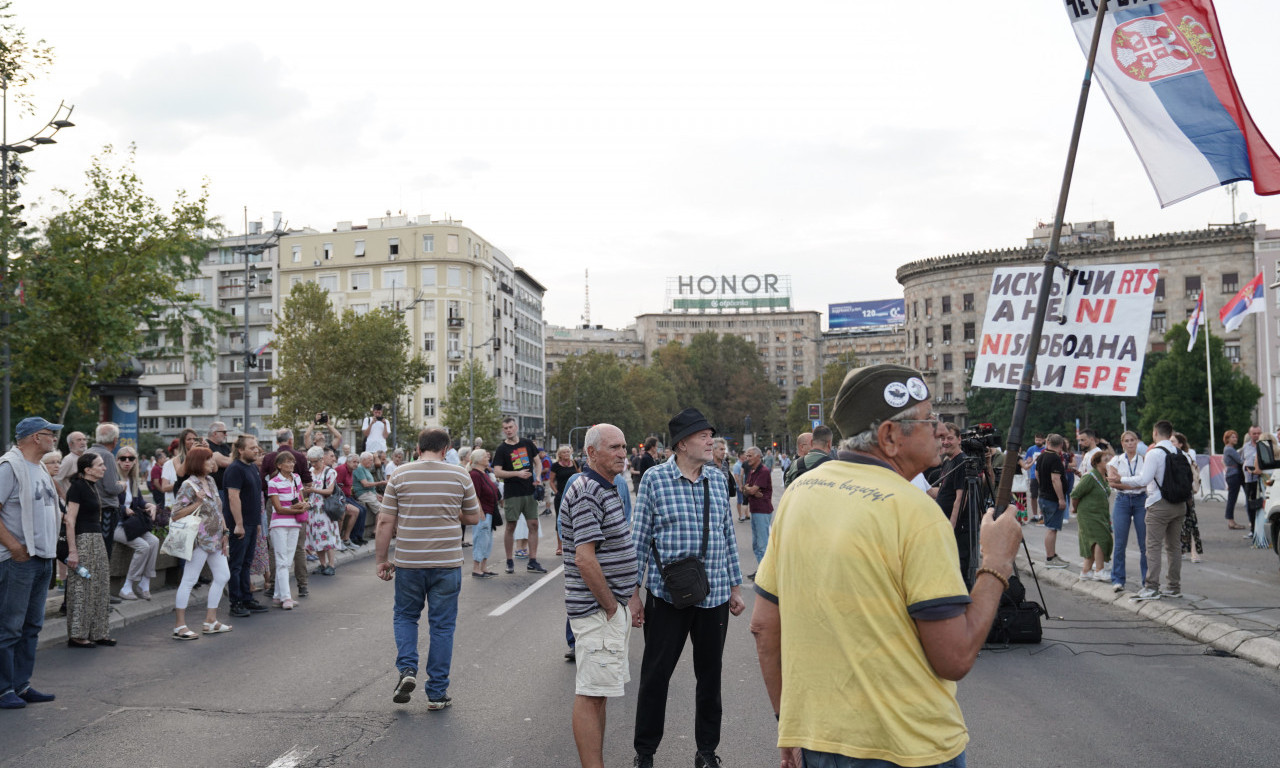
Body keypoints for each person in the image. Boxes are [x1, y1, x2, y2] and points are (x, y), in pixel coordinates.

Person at [749, 364, 1023, 768]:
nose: (939, 429)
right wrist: (996, 563)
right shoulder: (916, 513)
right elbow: (955, 657)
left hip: (817, 741)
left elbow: (763, 625)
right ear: (890, 437)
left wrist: (786, 723)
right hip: (909, 749)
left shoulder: (800, 492)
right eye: (929, 419)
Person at [628, 408, 745, 768]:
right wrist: (633, 594)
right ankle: (645, 753)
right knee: (655, 676)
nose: (711, 441)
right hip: (667, 597)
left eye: (712, 435)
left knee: (710, 679)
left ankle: (707, 752)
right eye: (703, 435)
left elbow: (727, 536)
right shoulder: (654, 480)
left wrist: (736, 588)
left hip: (714, 595)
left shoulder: (716, 478)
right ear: (682, 443)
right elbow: (640, 538)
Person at [377, 428, 481, 709]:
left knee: (405, 617)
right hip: (447, 563)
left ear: (417, 447)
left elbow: (385, 521)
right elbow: (475, 516)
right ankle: (436, 693)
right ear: (446, 448)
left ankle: (408, 669)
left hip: (409, 562)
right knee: (442, 627)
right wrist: (450, 510)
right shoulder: (459, 474)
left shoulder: (399, 474)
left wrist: (381, 559)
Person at [560, 424, 638, 768]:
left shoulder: (606, 487)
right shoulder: (589, 489)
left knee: (599, 693)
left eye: (623, 447)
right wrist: (610, 606)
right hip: (597, 611)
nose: (623, 453)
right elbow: (584, 557)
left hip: (608, 610)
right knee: (591, 695)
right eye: (614, 448)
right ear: (591, 453)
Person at [0, 417, 63, 708]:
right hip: (19, 560)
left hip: (43, 557)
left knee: (31, 626)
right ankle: (3, 689)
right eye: (51, 434)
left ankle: (21, 685)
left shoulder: (38, 468)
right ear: (36, 437)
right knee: (10, 627)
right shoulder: (9, 467)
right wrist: (14, 547)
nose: (54, 439)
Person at [1111, 420, 1185, 601]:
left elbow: (1144, 480)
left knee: (1152, 547)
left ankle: (1151, 587)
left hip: (1159, 504)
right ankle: (1174, 586)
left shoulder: (1154, 453)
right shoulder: (1179, 451)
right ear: (1170, 433)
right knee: (1174, 547)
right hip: (1179, 504)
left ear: (1155, 433)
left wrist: (1122, 479)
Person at [170, 446, 232, 640]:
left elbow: (218, 510)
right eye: (208, 459)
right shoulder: (189, 485)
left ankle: (211, 621)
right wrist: (196, 503)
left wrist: (225, 532)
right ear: (198, 462)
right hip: (198, 540)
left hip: (215, 539)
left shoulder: (211, 481)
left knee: (223, 576)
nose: (213, 463)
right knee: (189, 579)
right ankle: (179, 626)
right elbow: (176, 514)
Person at [64, 452, 115, 648]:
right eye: (100, 465)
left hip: (96, 538)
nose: (104, 468)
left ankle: (98, 632)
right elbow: (70, 521)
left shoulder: (92, 486)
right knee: (82, 587)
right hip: (83, 540)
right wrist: (73, 551)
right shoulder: (77, 488)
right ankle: (77, 635)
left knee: (100, 584)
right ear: (88, 469)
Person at [493, 417, 546, 575]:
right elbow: (497, 472)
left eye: (510, 427)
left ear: (516, 427)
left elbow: (538, 462)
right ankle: (510, 561)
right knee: (511, 526)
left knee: (533, 525)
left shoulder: (527, 444)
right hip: (512, 493)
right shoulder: (502, 449)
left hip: (529, 492)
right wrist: (517, 473)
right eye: (505, 428)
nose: (508, 430)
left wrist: (538, 478)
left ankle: (533, 560)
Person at [224, 435, 269, 618]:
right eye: (252, 448)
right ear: (241, 450)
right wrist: (239, 524)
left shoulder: (252, 468)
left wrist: (257, 523)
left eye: (257, 447)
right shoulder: (235, 469)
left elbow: (255, 497)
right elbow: (233, 497)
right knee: (236, 564)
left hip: (252, 523)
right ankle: (236, 602)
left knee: (246, 563)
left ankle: (247, 597)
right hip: (239, 525)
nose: (256, 450)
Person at [112, 446, 161, 601]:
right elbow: (106, 502)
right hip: (115, 524)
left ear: (135, 461)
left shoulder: (132, 480)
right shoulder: (113, 478)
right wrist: (123, 509)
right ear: (117, 460)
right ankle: (127, 586)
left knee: (154, 541)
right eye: (123, 458)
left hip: (130, 524)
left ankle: (144, 583)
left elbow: (139, 501)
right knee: (143, 546)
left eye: (131, 458)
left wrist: (150, 506)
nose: (127, 461)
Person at [1106, 430, 1148, 594]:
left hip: (1140, 501)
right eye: (1127, 441)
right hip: (1122, 501)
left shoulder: (1144, 460)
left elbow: (1145, 483)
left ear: (1137, 442)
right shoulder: (1115, 461)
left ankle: (1147, 581)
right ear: (1122, 443)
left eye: (1133, 440)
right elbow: (1113, 484)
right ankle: (1117, 579)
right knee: (1120, 543)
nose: (1130, 443)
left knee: (1144, 544)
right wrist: (1134, 483)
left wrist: (1122, 481)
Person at [266, 451, 308, 610]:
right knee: (282, 560)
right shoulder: (274, 482)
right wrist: (296, 509)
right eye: (288, 462)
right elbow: (278, 509)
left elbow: (301, 498)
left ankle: (278, 595)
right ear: (279, 465)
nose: (291, 464)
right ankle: (286, 597)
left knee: (287, 561)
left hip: (295, 524)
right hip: (279, 525)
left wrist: (304, 505)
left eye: (292, 462)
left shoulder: (296, 478)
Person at [1072, 449, 1114, 581]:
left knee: (1093, 542)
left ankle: (1086, 571)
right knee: (1100, 539)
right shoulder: (1090, 476)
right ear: (1097, 463)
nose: (1108, 462)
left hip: (1099, 513)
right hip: (1088, 514)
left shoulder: (1104, 477)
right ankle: (1099, 570)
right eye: (1105, 460)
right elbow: (1075, 494)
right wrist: (1075, 509)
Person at [86, 424, 126, 560]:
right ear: (115, 440)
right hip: (106, 510)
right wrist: (122, 486)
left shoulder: (87, 452)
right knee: (103, 552)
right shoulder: (107, 456)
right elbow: (111, 488)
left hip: (90, 509)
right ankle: (101, 581)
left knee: (92, 551)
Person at [306, 446, 341, 576]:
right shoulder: (310, 471)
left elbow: (329, 491)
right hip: (313, 509)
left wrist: (313, 490)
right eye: (311, 461)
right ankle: (322, 564)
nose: (313, 464)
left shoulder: (329, 472)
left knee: (328, 536)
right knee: (316, 537)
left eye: (315, 461)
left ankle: (331, 564)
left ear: (321, 459)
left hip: (325, 508)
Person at [1035, 434, 1070, 568]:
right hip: (1052, 498)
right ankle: (1050, 558)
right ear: (1061, 445)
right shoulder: (1055, 458)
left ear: (1047, 442)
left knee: (1051, 527)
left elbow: (1037, 474)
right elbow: (1056, 479)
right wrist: (1061, 498)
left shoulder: (1042, 456)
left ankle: (1052, 554)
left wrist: (1042, 486)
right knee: (1052, 529)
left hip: (1043, 495)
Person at [741, 446, 773, 577]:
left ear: (758, 456)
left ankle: (767, 574)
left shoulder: (763, 471)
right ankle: (762, 570)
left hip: (762, 511)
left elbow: (751, 490)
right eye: (746, 455)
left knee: (762, 544)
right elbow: (745, 489)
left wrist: (750, 490)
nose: (747, 458)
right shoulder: (753, 471)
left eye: (749, 456)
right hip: (755, 510)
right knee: (755, 544)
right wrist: (750, 490)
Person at [468, 450, 501, 578]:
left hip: (490, 511)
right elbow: (475, 494)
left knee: (487, 540)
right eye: (485, 456)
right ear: (478, 459)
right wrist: (480, 511)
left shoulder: (484, 473)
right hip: (483, 512)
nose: (488, 458)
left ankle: (484, 566)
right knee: (481, 538)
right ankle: (476, 568)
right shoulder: (475, 475)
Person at [1174, 432, 1204, 564]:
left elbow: (1192, 476)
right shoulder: (1165, 456)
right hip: (1173, 493)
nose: (1171, 444)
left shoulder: (1187, 456)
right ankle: (1181, 549)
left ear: (1180, 444)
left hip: (1186, 493)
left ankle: (1193, 551)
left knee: (1190, 522)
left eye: (1173, 441)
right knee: (1176, 522)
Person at [1222, 429, 1248, 530]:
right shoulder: (1229, 449)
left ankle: (1231, 521)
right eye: (1233, 437)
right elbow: (1240, 461)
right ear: (1227, 439)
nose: (1235, 438)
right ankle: (1231, 521)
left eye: (1236, 437)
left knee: (1232, 499)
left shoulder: (1229, 449)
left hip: (1233, 475)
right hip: (1234, 475)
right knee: (1232, 499)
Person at [1021, 433, 1046, 523]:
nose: (1037, 442)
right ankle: (1035, 515)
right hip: (1033, 475)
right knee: (1033, 496)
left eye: (1039, 440)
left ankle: (1042, 515)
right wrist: (1028, 461)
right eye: (1036, 440)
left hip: (1044, 475)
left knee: (1042, 496)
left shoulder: (1046, 449)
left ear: (1043, 440)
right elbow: (1026, 461)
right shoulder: (1031, 449)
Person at [54, 430, 88, 495]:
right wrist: (64, 497)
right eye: (79, 440)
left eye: (84, 439)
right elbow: (56, 479)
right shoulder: (69, 459)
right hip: (71, 502)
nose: (83, 442)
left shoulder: (86, 457)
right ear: (70, 444)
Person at [549, 445, 580, 518]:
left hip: (575, 495)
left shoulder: (575, 463)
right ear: (559, 455)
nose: (566, 453)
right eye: (564, 452)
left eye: (568, 452)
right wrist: (557, 493)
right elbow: (551, 481)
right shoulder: (555, 465)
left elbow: (580, 477)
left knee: (574, 518)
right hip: (561, 495)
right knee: (560, 518)